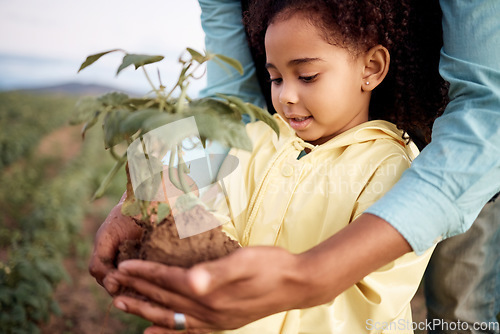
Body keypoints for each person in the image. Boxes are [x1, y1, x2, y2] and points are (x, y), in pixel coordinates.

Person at [89, 0, 500, 332]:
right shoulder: (259, 138)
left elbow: (362, 312)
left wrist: (243, 317)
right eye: (275, 78)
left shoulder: (390, 169)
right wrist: (149, 191)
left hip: (459, 167)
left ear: (371, 68)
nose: (284, 97)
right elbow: (207, 222)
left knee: (462, 314)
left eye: (306, 76)